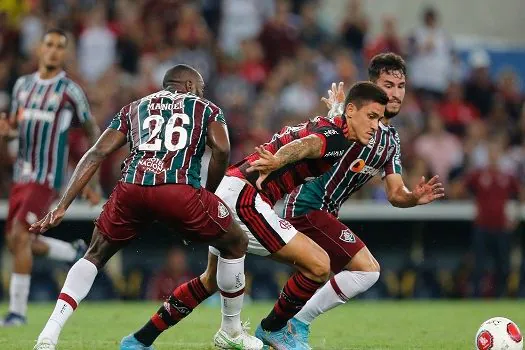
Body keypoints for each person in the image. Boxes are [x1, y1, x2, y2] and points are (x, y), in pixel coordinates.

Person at [125, 81, 389, 350]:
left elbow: (323, 134)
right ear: (352, 111)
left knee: (210, 281)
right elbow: (309, 144)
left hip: (231, 188)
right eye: (371, 116)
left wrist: (337, 108)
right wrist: (279, 159)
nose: (376, 126)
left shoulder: (336, 127)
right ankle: (273, 329)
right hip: (247, 199)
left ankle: (139, 340)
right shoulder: (336, 137)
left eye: (379, 119)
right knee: (319, 265)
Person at [31, 64, 262, 350]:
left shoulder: (135, 107)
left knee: (95, 254)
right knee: (235, 242)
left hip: (132, 189)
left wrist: (62, 205)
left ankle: (49, 334)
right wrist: (210, 195)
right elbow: (222, 148)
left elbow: (98, 152)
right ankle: (231, 330)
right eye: (199, 88)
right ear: (189, 86)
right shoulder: (206, 108)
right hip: (178, 191)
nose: (201, 92)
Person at [280, 53, 445, 348]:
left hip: (324, 213)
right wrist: (336, 112)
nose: (395, 93)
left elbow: (396, 193)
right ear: (372, 85)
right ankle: (294, 325)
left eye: (401, 85)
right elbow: (318, 135)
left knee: (317, 276)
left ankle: (278, 329)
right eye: (387, 84)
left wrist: (413, 198)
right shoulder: (351, 118)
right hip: (306, 205)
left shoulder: (390, 141)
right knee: (367, 270)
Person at [0, 28, 101, 327]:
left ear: (65, 53)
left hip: (46, 177)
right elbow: (16, 130)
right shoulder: (22, 86)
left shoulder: (70, 90)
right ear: (40, 49)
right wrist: (6, 136)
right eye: (50, 44)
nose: (54, 50)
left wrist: (90, 181)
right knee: (17, 241)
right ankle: (72, 251)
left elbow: (93, 130)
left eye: (60, 46)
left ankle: (17, 313)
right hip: (21, 175)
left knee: (20, 236)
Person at [465, 139, 522, 297]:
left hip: (501, 226)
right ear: (487, 155)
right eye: (491, 152)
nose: (494, 156)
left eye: (497, 152)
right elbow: (462, 189)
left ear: (501, 155)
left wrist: (515, 216)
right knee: (478, 264)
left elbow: (519, 195)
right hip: (482, 225)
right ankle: (476, 296)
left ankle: (500, 295)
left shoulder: (508, 177)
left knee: (503, 265)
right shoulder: (478, 174)